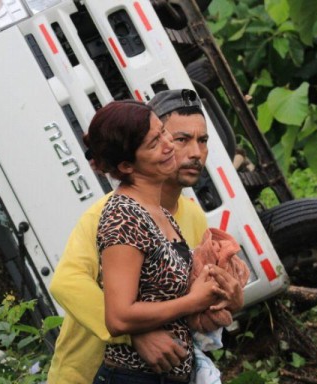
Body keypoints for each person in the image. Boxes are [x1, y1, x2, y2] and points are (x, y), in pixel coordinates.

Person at [48, 90, 243, 383]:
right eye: (180, 139)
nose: (193, 153)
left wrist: (231, 297)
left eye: (202, 141)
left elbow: (187, 294)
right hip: (89, 374)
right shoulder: (111, 214)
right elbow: (67, 282)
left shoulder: (190, 216)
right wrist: (135, 334)